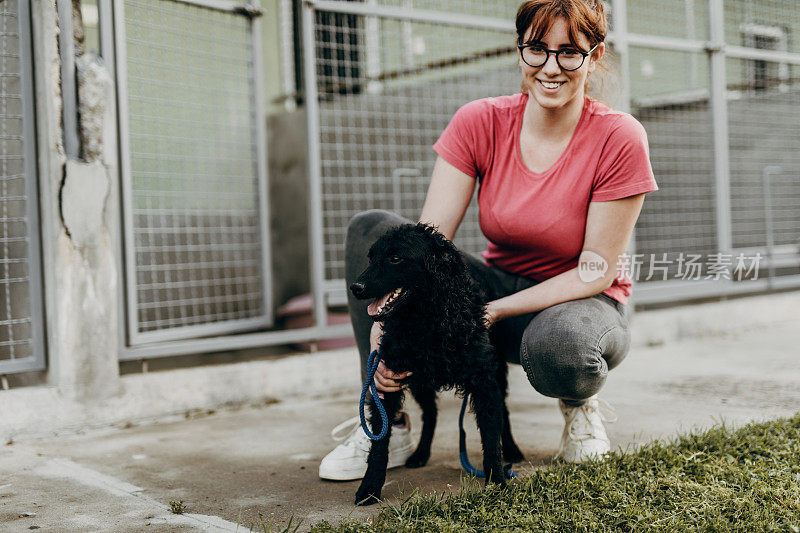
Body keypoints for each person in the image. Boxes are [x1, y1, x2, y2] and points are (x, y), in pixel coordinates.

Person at [319, 0, 658, 481]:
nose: (550, 67)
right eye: (537, 48)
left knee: (562, 345)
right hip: (496, 283)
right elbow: (427, 242)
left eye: (569, 52)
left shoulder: (619, 136)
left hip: (581, 300)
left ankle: (580, 407)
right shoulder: (480, 120)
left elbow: (595, 270)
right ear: (519, 49)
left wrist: (493, 311)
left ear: (595, 55)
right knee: (373, 227)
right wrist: (388, 320)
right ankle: (385, 421)